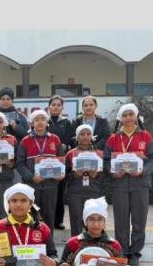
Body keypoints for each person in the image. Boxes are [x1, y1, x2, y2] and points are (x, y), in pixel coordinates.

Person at [104, 103, 153, 266]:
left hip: (140, 184)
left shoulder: (145, 136)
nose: (128, 118)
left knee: (139, 220)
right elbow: (105, 161)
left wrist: (143, 171)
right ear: (120, 118)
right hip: (120, 185)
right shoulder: (113, 138)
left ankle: (135, 252)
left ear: (136, 116)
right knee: (121, 220)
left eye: (131, 114)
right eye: (125, 115)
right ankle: (122, 251)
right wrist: (114, 173)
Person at [17, 109, 65, 233]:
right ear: (32, 123)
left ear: (47, 122)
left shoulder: (55, 139)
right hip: (32, 186)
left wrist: (60, 174)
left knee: (49, 216)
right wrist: (32, 177)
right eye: (36, 120)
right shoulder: (25, 141)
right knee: (32, 216)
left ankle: (48, 242)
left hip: (51, 185)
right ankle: (32, 242)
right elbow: (20, 164)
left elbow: (61, 160)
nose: (40, 122)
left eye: (42, 119)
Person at [65, 124, 104, 236]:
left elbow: (105, 175)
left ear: (92, 136)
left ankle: (93, 244)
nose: (85, 136)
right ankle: (76, 244)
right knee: (76, 220)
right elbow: (64, 175)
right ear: (77, 137)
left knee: (93, 220)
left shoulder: (99, 154)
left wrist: (96, 175)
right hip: (75, 193)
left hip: (94, 191)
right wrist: (74, 175)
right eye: (82, 134)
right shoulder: (70, 154)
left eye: (88, 134)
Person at [47, 95, 75, 230]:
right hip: (46, 161)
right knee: (46, 192)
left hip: (60, 161)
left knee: (59, 191)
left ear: (62, 107)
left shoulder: (67, 123)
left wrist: (63, 145)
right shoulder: (44, 121)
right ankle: (45, 220)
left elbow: (70, 139)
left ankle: (58, 221)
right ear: (49, 107)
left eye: (58, 105)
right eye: (53, 104)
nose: (56, 107)